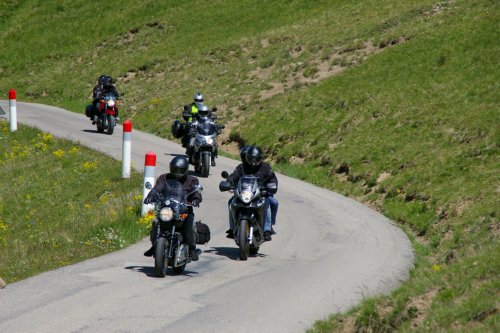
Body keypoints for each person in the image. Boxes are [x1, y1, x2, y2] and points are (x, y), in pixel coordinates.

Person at [143, 156, 202, 261]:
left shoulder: (192, 180)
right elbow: (157, 189)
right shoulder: (164, 178)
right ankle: (155, 246)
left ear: (186, 169)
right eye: (175, 169)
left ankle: (192, 249)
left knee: (188, 225)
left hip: (184, 211)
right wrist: (150, 196)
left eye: (180, 170)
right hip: (167, 210)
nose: (177, 172)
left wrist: (196, 199)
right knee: (156, 222)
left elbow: (196, 191)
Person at [224, 145, 278, 241]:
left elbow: (272, 178)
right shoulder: (242, 167)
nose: (253, 162)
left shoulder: (265, 167)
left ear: (260, 158)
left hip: (261, 194)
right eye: (251, 159)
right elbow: (234, 175)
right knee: (231, 202)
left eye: (256, 159)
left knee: (269, 203)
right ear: (247, 158)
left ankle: (267, 230)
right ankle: (232, 229)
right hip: (245, 194)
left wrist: (271, 186)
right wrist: (228, 183)